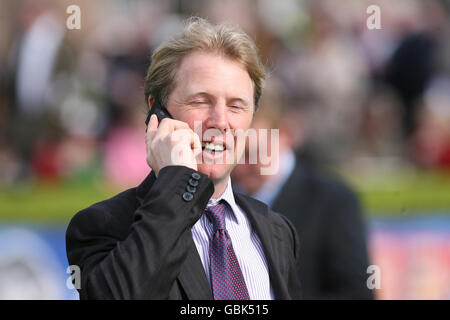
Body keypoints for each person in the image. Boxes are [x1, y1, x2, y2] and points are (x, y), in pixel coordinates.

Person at [66, 17, 301, 300]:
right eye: (200, 101)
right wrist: (175, 180)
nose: (220, 121)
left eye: (237, 106)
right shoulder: (103, 225)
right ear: (157, 112)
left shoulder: (277, 230)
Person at [232, 85, 374, 299]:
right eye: (230, 150)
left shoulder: (332, 200)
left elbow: (357, 293)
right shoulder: (215, 200)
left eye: (250, 152)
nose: (238, 166)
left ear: (286, 134)